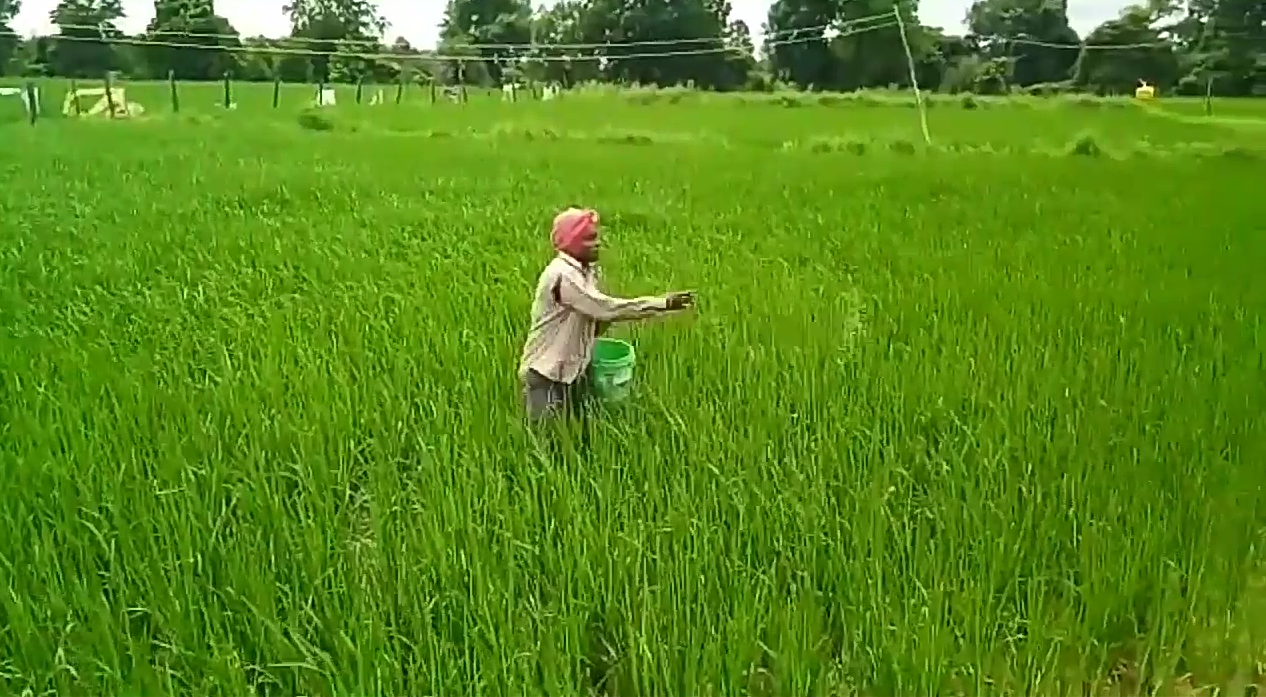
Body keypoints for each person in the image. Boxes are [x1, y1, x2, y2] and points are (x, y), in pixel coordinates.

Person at [519, 206, 695, 423]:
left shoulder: (587, 270)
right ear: (572, 242)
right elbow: (605, 308)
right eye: (589, 239)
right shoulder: (562, 277)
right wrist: (662, 303)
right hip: (546, 373)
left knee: (574, 430)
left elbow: (596, 317)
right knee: (547, 439)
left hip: (572, 370)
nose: (597, 243)